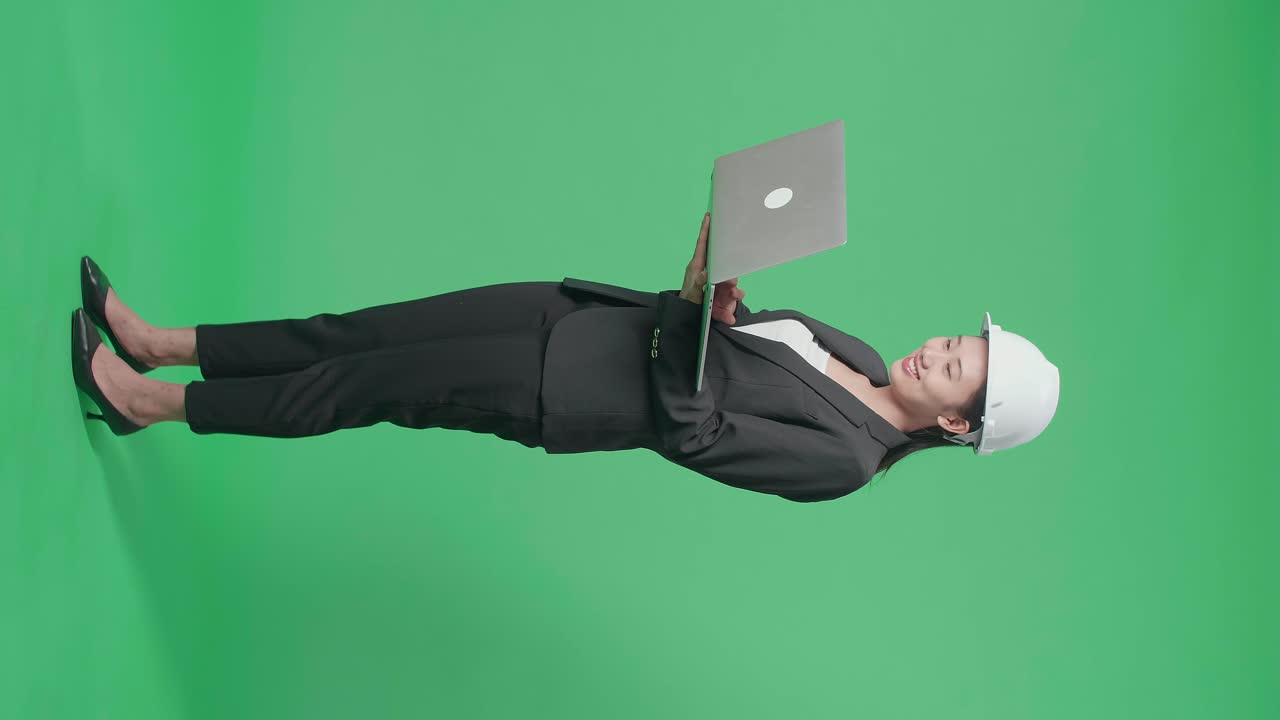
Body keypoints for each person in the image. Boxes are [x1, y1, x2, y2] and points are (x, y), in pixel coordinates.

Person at [71, 212, 1060, 503]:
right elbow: (736, 347)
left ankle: (147, 403)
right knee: (356, 332)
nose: (940, 350)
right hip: (578, 314)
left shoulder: (843, 462)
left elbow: (690, 430)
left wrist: (688, 299)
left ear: (957, 425)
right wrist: (723, 292)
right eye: (957, 339)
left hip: (559, 388)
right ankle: (163, 343)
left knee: (357, 385)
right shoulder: (851, 352)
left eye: (962, 366)